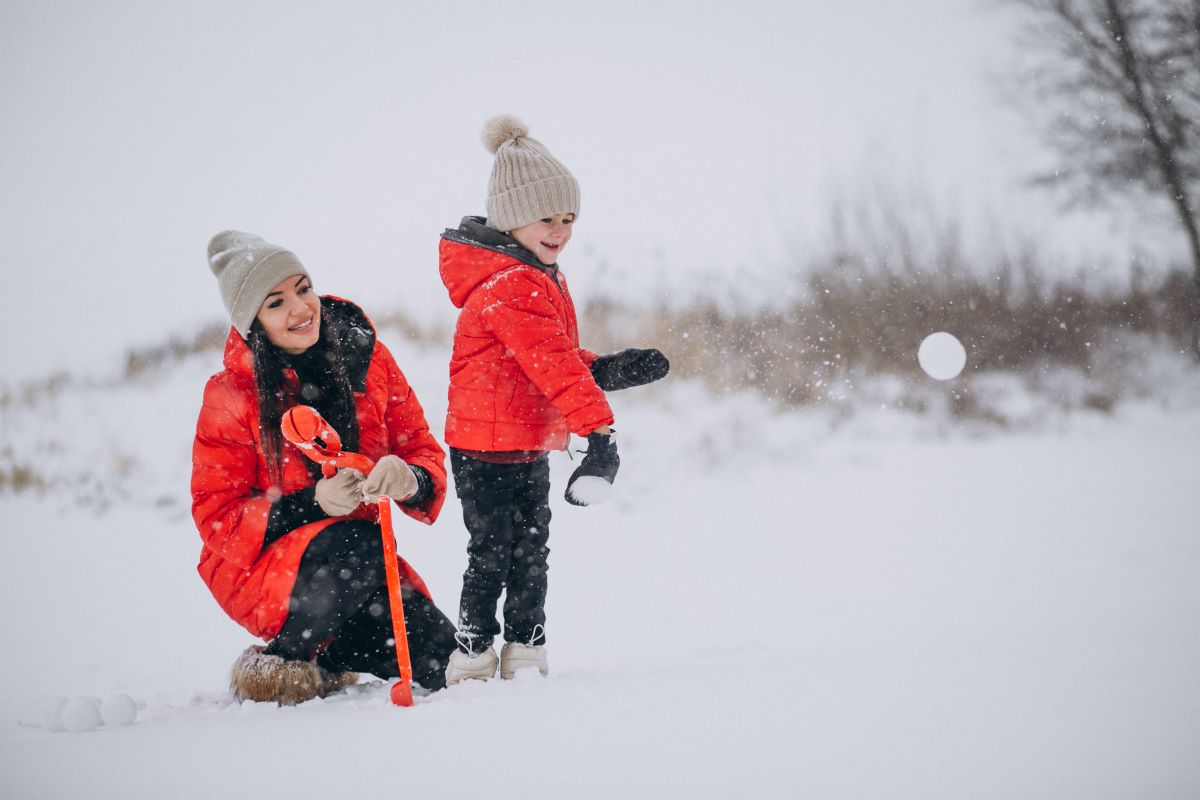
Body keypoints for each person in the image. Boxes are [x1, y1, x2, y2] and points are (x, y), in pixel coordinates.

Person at [438, 116, 669, 684]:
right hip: (483, 447)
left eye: (569, 218)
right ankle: (473, 651)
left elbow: (552, 358)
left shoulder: (534, 274)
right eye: (548, 217)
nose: (561, 230)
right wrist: (600, 434)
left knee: (530, 552)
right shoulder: (509, 284)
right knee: (495, 553)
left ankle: (525, 647)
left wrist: (605, 371)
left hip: (524, 442)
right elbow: (553, 365)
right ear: (513, 216)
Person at [191, 230, 457, 704]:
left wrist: (408, 478)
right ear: (253, 321)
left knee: (446, 663)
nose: (300, 308)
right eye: (275, 303)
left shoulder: (365, 357)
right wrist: (313, 503)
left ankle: (331, 652)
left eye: (303, 287)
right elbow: (217, 517)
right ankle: (283, 661)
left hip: (362, 565)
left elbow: (420, 445)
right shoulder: (230, 395)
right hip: (258, 568)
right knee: (357, 540)